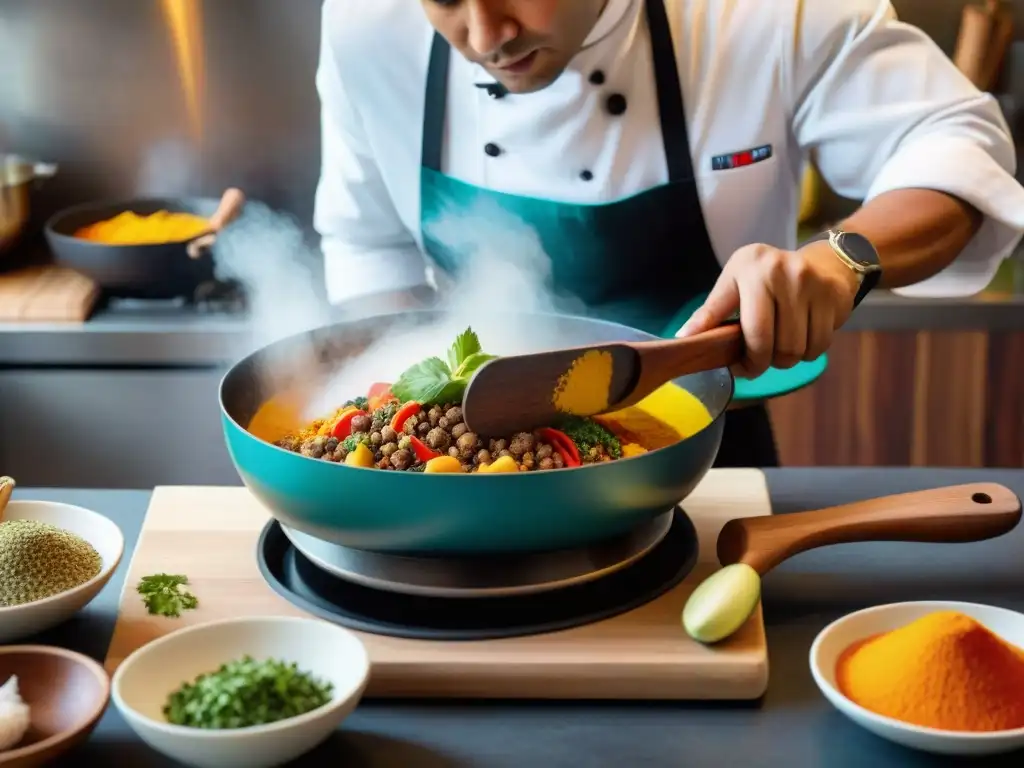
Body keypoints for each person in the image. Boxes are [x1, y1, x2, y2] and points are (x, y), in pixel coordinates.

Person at [312, 0, 1024, 468]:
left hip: (711, 455)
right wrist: (403, 443)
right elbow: (369, 247)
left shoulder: (763, 13)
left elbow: (956, 145)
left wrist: (843, 260)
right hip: (465, 453)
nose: (487, 32)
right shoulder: (366, 26)